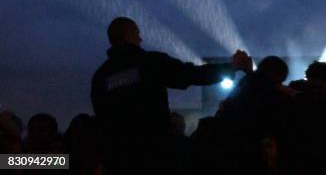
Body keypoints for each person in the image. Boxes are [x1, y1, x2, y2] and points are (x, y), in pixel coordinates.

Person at [91, 16, 252, 173]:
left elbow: (101, 119)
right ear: (129, 35)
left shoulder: (100, 77)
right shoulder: (149, 62)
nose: (140, 39)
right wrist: (231, 66)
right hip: (153, 156)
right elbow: (191, 74)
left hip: (118, 161)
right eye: (137, 34)